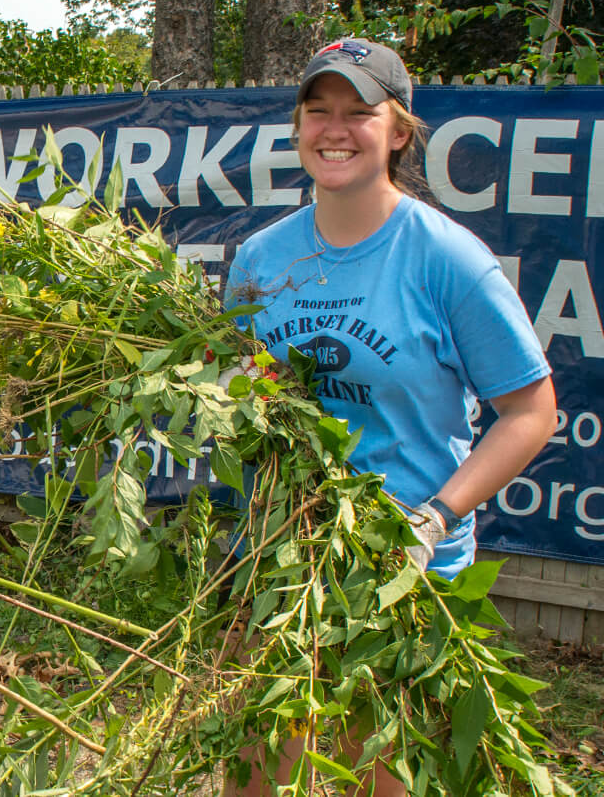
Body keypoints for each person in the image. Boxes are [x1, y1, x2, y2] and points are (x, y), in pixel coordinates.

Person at [222, 38, 556, 795]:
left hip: (401, 575)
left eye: (359, 113)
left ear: (398, 131)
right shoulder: (259, 261)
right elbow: (249, 387)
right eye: (318, 112)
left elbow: (531, 412)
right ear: (299, 126)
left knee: (384, 775)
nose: (334, 130)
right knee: (253, 773)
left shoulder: (448, 260)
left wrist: (435, 518)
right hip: (279, 559)